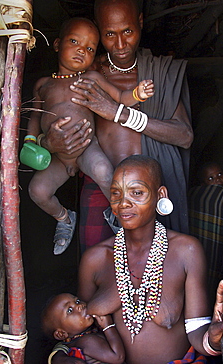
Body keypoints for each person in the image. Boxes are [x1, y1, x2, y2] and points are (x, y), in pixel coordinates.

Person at [50, 155, 223, 364]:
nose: (124, 203)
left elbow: (197, 334)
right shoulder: (95, 259)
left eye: (137, 193)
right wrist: (59, 356)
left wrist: (212, 339)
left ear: (160, 195)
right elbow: (79, 331)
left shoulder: (186, 251)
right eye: (116, 194)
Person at [39, 0, 194, 252]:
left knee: (155, 272)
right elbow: (49, 116)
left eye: (128, 32)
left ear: (140, 23)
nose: (120, 44)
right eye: (110, 34)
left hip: (149, 187)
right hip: (100, 187)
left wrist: (118, 113)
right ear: (99, 32)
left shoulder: (158, 74)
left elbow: (184, 135)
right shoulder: (85, 73)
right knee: (98, 267)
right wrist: (48, 142)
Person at [26, 16, 154, 254]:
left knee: (106, 173)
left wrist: (137, 93)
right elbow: (34, 117)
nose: (80, 50)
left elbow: (119, 96)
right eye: (74, 41)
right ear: (57, 44)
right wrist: (32, 143)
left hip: (86, 147)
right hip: (57, 157)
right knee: (37, 191)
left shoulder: (92, 78)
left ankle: (118, 218)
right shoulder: (43, 85)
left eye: (89, 48)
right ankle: (64, 218)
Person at [41, 293, 125, 364]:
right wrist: (108, 326)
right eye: (70, 310)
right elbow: (118, 357)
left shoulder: (80, 341)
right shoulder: (86, 341)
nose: (79, 306)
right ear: (61, 334)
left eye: (77, 301)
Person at [188, 162, 223, 305]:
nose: (217, 180)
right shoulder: (198, 197)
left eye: (220, 175)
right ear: (203, 184)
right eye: (211, 178)